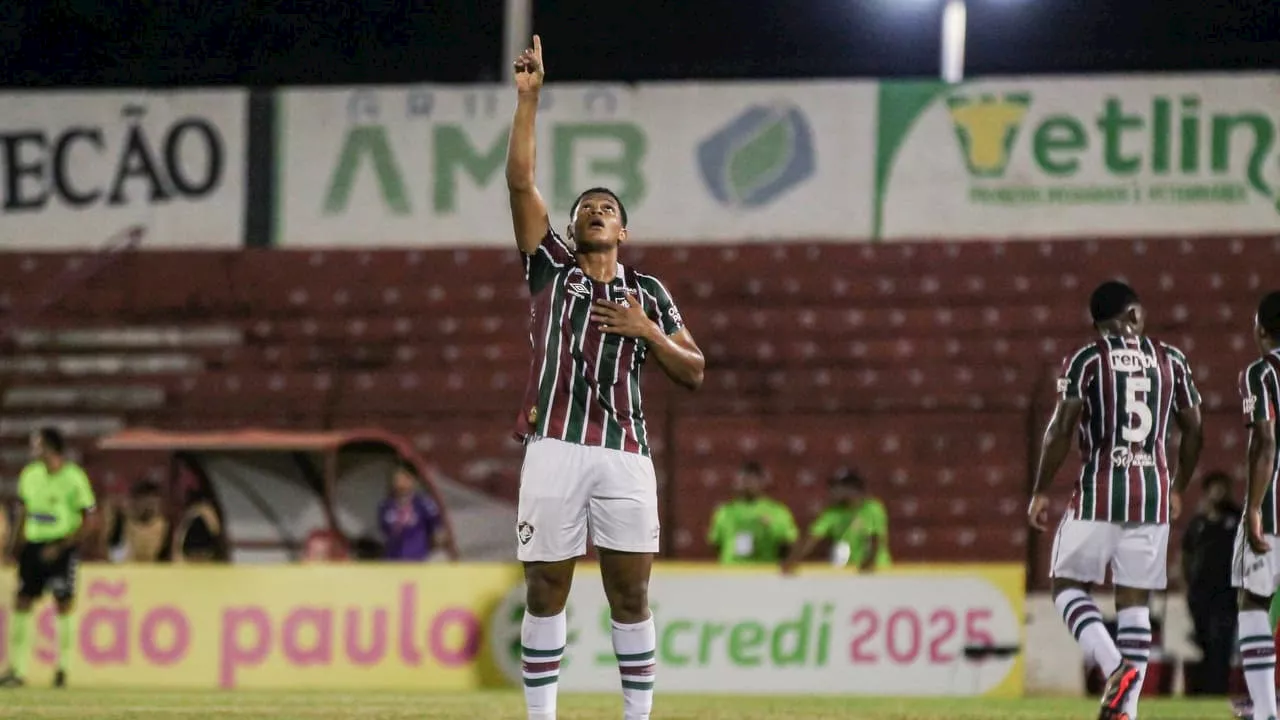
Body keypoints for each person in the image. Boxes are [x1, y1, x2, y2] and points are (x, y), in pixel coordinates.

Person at [506, 35, 705, 720]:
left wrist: (648, 334)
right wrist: (528, 100)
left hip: (625, 454)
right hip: (554, 448)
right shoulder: (551, 270)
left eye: (608, 207)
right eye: (586, 205)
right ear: (570, 226)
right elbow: (521, 184)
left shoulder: (649, 292)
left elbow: (696, 370)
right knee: (544, 590)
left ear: (623, 230)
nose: (596, 209)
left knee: (630, 595)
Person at [1027, 281, 1203, 720]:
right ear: (1134, 315)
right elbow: (1195, 429)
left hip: (1100, 490)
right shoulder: (1171, 360)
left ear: (1096, 322)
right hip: (1153, 496)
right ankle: (1126, 710)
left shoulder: (1088, 359)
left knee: (1067, 586)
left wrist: (1039, 490)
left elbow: (1061, 428)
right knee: (1134, 604)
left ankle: (1113, 667)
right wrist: (1178, 486)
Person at [0, 427, 97, 689]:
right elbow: (22, 513)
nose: (33, 449)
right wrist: (12, 548)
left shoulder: (74, 477)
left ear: (50, 448)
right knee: (22, 602)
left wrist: (64, 545)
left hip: (62, 546)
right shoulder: (30, 475)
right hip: (33, 546)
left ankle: (63, 669)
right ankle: (17, 670)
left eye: (37, 444)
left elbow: (90, 519)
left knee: (63, 603)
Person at [1230, 290, 1280, 720]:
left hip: (1276, 510)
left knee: (1253, 601)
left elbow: (1263, 441)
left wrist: (1256, 508)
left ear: (1262, 329)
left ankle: (1265, 711)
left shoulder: (1261, 373)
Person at [1179, 471, 1240, 695]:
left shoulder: (1237, 520)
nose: (1218, 492)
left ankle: (1218, 690)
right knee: (1204, 640)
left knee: (1221, 642)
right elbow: (1186, 555)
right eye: (1214, 487)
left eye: (1222, 487)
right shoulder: (1198, 523)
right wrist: (1187, 585)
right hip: (1199, 595)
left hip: (1227, 593)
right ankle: (1205, 689)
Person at [783, 470, 891, 573]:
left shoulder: (872, 508)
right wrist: (792, 560)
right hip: (848, 571)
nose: (832, 490)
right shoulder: (832, 513)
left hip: (876, 570)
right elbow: (812, 538)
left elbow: (875, 539)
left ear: (851, 488)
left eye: (837, 486)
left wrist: (869, 563)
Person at [706, 461, 798, 565]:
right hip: (732, 573)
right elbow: (716, 544)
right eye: (744, 480)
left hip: (763, 572)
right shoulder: (725, 512)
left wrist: (770, 527)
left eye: (752, 480)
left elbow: (788, 543)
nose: (748, 484)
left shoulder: (777, 512)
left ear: (762, 482)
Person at [378, 464, 450, 562]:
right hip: (393, 561)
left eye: (403, 478)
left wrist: (437, 547)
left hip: (418, 560)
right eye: (396, 479)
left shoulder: (424, 504)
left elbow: (437, 530)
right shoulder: (386, 506)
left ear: (412, 480)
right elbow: (384, 531)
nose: (399, 482)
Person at [105, 480, 171, 563]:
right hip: (126, 572)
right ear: (135, 501)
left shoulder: (164, 526)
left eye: (154, 502)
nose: (149, 506)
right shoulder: (122, 524)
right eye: (146, 501)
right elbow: (113, 553)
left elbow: (167, 558)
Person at [173, 488, 225, 563]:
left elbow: (215, 529)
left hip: (206, 552)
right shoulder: (187, 518)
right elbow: (178, 537)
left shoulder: (208, 513)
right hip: (189, 553)